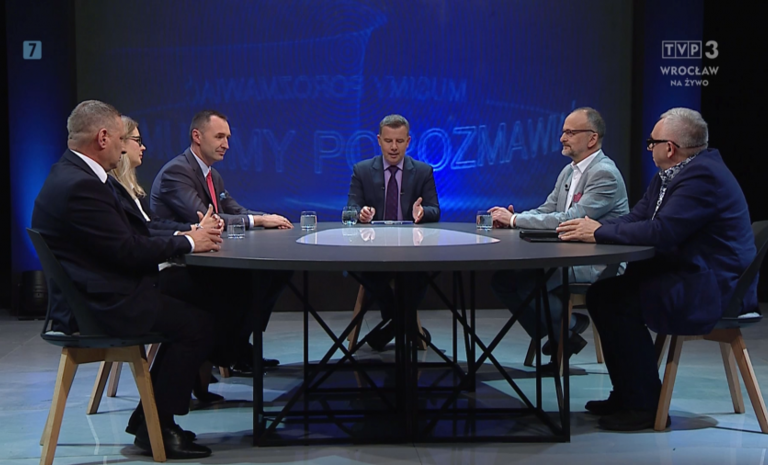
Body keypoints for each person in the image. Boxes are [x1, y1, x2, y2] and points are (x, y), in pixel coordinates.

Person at [31, 100, 222, 459]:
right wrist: (189, 242)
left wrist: (187, 236)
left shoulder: (78, 174)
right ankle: (156, 428)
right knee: (197, 324)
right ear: (103, 138)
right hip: (99, 305)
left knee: (206, 291)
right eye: (121, 139)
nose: (123, 148)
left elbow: (136, 233)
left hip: (103, 288)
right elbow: (128, 250)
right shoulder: (81, 186)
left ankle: (157, 413)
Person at [557, 108, 758, 431]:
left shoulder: (703, 177)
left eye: (653, 142)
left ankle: (643, 405)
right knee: (604, 294)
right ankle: (627, 394)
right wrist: (596, 228)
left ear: (671, 147)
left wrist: (599, 232)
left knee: (619, 301)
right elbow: (637, 218)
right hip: (691, 274)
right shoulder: (671, 174)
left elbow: (664, 232)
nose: (649, 148)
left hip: (714, 288)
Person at [110, 116, 244, 403]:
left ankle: (220, 356)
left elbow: (150, 225)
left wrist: (189, 231)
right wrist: (189, 238)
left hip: (149, 270)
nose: (143, 148)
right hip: (142, 281)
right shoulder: (116, 187)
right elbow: (136, 239)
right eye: (137, 141)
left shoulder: (129, 187)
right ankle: (223, 355)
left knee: (228, 289)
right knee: (219, 295)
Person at [150, 110, 292, 371]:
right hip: (178, 264)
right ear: (197, 136)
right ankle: (227, 350)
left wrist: (268, 217)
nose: (226, 144)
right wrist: (260, 220)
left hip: (208, 258)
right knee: (249, 281)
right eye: (219, 137)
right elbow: (208, 219)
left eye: (227, 137)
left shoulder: (212, 175)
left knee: (276, 271)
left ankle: (236, 346)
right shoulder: (177, 172)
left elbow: (235, 210)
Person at [488, 107, 629, 365]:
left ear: (592, 138)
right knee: (503, 279)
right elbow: (548, 209)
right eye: (563, 132)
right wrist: (514, 219)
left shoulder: (604, 174)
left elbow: (571, 218)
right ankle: (566, 329)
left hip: (597, 262)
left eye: (570, 132)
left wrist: (515, 220)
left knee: (529, 282)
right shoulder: (568, 171)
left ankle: (564, 331)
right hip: (567, 255)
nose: (563, 138)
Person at [346, 114, 440, 350]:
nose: (394, 147)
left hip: (411, 251)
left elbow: (435, 210)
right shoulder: (362, 170)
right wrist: (361, 214)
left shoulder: (423, 171)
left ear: (408, 141)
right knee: (370, 275)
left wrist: (422, 213)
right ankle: (403, 323)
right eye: (388, 141)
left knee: (420, 274)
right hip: (372, 251)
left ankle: (392, 327)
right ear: (379, 140)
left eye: (399, 141)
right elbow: (350, 209)